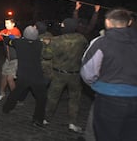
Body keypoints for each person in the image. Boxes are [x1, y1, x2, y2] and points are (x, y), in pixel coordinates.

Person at [81, 8, 137, 141]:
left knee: (106, 135)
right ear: (129, 22)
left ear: (107, 22)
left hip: (109, 98)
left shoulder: (102, 43)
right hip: (135, 99)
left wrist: (97, 84)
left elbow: (88, 72)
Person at [43, 18, 88, 133]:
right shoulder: (81, 39)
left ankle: (46, 119)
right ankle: (72, 123)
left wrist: (46, 45)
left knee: (53, 97)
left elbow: (46, 56)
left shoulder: (56, 40)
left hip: (59, 74)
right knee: (74, 99)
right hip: (75, 75)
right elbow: (85, 51)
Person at [2, 26, 48, 128]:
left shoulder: (19, 43)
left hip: (23, 75)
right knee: (42, 98)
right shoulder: (40, 44)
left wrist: (11, 37)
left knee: (15, 93)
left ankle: (6, 108)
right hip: (37, 76)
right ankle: (38, 119)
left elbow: (7, 41)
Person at [0, 18, 21, 101]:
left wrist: (5, 35)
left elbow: (14, 37)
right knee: (3, 76)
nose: (6, 25)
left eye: (8, 23)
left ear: (13, 24)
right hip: (7, 59)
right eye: (5, 23)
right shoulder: (4, 31)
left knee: (9, 78)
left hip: (15, 60)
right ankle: (2, 93)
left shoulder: (16, 31)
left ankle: (15, 97)